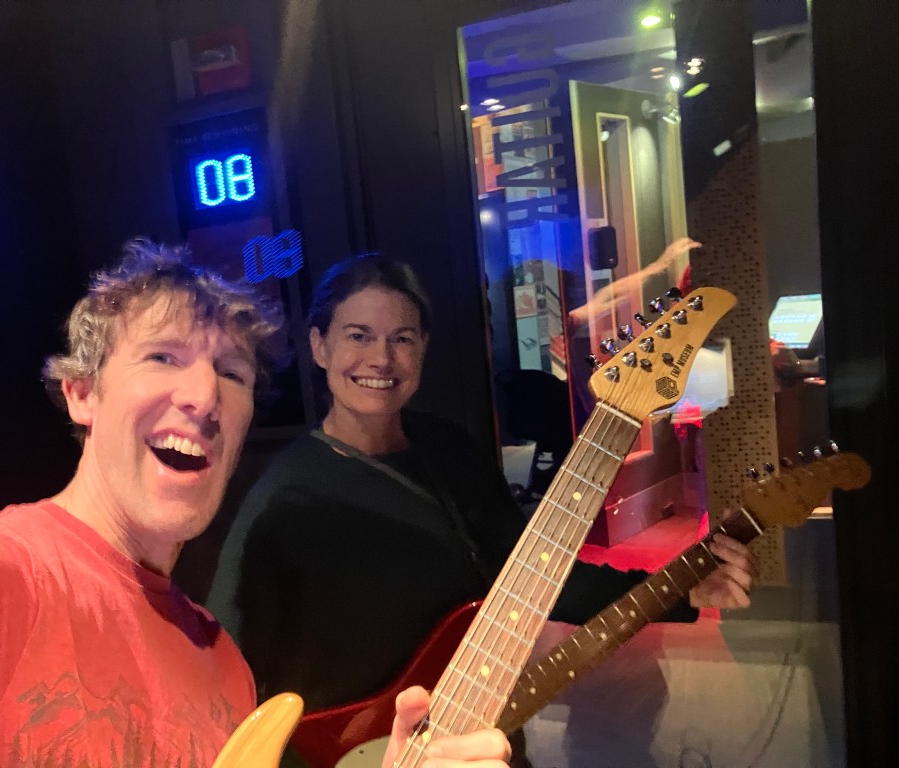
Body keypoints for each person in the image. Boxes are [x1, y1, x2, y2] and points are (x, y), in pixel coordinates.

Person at [0, 238, 511, 768]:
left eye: (232, 373)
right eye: (163, 357)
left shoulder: (224, 669)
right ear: (82, 393)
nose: (204, 396)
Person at [207, 254, 757, 765]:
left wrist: (679, 589)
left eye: (402, 338)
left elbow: (538, 577)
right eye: (358, 335)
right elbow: (226, 679)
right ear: (320, 346)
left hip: (478, 742)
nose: (381, 358)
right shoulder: (285, 499)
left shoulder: (449, 451)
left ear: (423, 349)